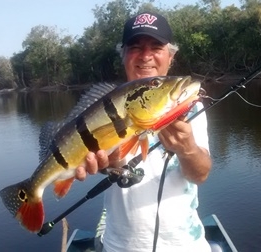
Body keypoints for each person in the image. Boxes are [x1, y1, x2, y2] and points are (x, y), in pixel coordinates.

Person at [75, 12, 212, 252]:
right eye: (135, 47)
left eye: (156, 47)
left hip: (186, 245)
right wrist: (109, 164)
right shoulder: (104, 108)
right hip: (120, 247)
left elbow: (200, 175)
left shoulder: (192, 108)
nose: (146, 56)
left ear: (171, 56)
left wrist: (187, 149)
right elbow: (103, 162)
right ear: (124, 56)